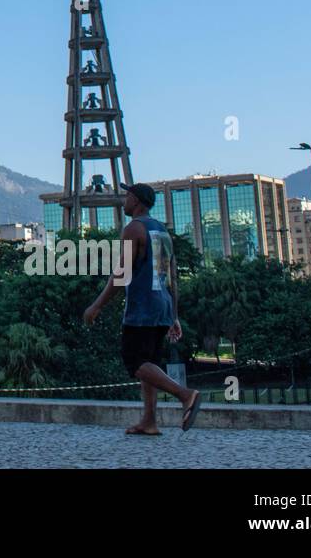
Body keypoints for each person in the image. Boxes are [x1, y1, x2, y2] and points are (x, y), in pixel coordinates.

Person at [82, 183, 202, 435]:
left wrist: (96, 305)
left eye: (127, 196)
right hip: (162, 305)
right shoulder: (162, 231)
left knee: (134, 361)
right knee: (150, 364)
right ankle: (149, 421)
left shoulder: (133, 229)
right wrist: (174, 315)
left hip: (143, 307)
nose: (124, 200)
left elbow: (122, 273)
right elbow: (173, 277)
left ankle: (185, 395)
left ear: (136, 200)